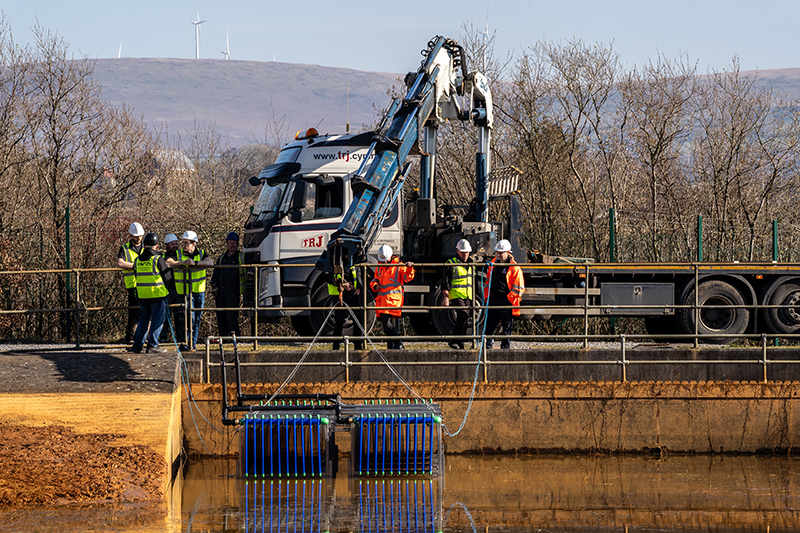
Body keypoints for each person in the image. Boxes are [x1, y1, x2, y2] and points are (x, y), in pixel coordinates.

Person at [169, 230, 214, 351]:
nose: (183, 245)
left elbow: (210, 262)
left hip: (199, 291)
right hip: (185, 291)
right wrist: (183, 263)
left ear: (194, 244)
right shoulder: (178, 254)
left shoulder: (201, 253)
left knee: (197, 319)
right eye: (183, 242)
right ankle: (185, 343)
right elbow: (168, 262)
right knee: (190, 318)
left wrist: (195, 263)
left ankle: (192, 344)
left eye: (186, 243)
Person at [129, 233, 172, 354]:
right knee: (157, 320)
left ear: (144, 246)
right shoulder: (157, 259)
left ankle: (137, 345)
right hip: (156, 295)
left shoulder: (137, 260)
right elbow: (168, 277)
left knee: (143, 320)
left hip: (142, 296)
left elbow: (137, 275)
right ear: (157, 246)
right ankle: (152, 345)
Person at [370, 244, 414, 350]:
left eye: (386, 260)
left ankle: (398, 342)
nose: (384, 262)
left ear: (391, 257)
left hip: (394, 300)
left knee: (386, 322)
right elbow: (375, 279)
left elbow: (407, 277)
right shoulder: (379, 266)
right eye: (383, 260)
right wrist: (375, 286)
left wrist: (409, 268)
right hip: (383, 300)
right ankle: (391, 345)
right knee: (385, 325)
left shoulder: (399, 266)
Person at [483, 239, 524, 350]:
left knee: (507, 328)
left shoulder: (514, 268)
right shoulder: (493, 265)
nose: (499, 255)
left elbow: (519, 289)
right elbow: (487, 283)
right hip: (493, 300)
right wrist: (487, 298)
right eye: (497, 252)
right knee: (489, 327)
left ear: (508, 252)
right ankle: (486, 348)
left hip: (506, 302)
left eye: (501, 252)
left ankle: (505, 349)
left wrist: (508, 299)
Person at [442, 239, 476, 350]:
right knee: (463, 315)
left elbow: (473, 282)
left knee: (466, 318)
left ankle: (459, 341)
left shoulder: (472, 264)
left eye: (466, 252)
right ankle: (454, 340)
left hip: (468, 296)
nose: (465, 254)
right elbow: (445, 282)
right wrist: (446, 298)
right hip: (456, 295)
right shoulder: (451, 263)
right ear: (457, 251)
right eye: (462, 252)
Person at [211, 231, 245, 338]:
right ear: (227, 244)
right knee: (220, 315)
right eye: (230, 243)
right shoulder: (222, 258)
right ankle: (223, 338)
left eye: (234, 243)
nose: (232, 245)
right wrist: (214, 285)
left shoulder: (241, 257)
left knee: (231, 316)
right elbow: (215, 273)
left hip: (233, 291)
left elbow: (251, 266)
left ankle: (235, 338)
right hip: (221, 292)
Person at [116, 222, 144, 344]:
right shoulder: (125, 248)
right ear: (131, 235)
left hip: (146, 284)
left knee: (145, 313)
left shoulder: (147, 246)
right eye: (136, 236)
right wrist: (137, 266)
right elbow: (120, 263)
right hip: (132, 285)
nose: (139, 238)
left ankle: (142, 337)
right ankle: (131, 338)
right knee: (134, 314)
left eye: (140, 236)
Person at [328, 265, 365, 351]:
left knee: (358, 319)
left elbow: (358, 272)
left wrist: (358, 288)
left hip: (354, 294)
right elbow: (327, 277)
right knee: (339, 320)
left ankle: (358, 345)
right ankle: (336, 346)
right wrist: (342, 285)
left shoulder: (354, 260)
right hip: (339, 294)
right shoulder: (331, 261)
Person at [159, 233, 185, 345]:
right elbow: (168, 262)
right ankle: (163, 337)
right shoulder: (163, 257)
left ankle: (181, 338)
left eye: (176, 243)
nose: (175, 246)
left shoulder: (181, 255)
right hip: (167, 290)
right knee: (165, 316)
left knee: (180, 316)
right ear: (166, 245)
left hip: (179, 290)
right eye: (172, 244)